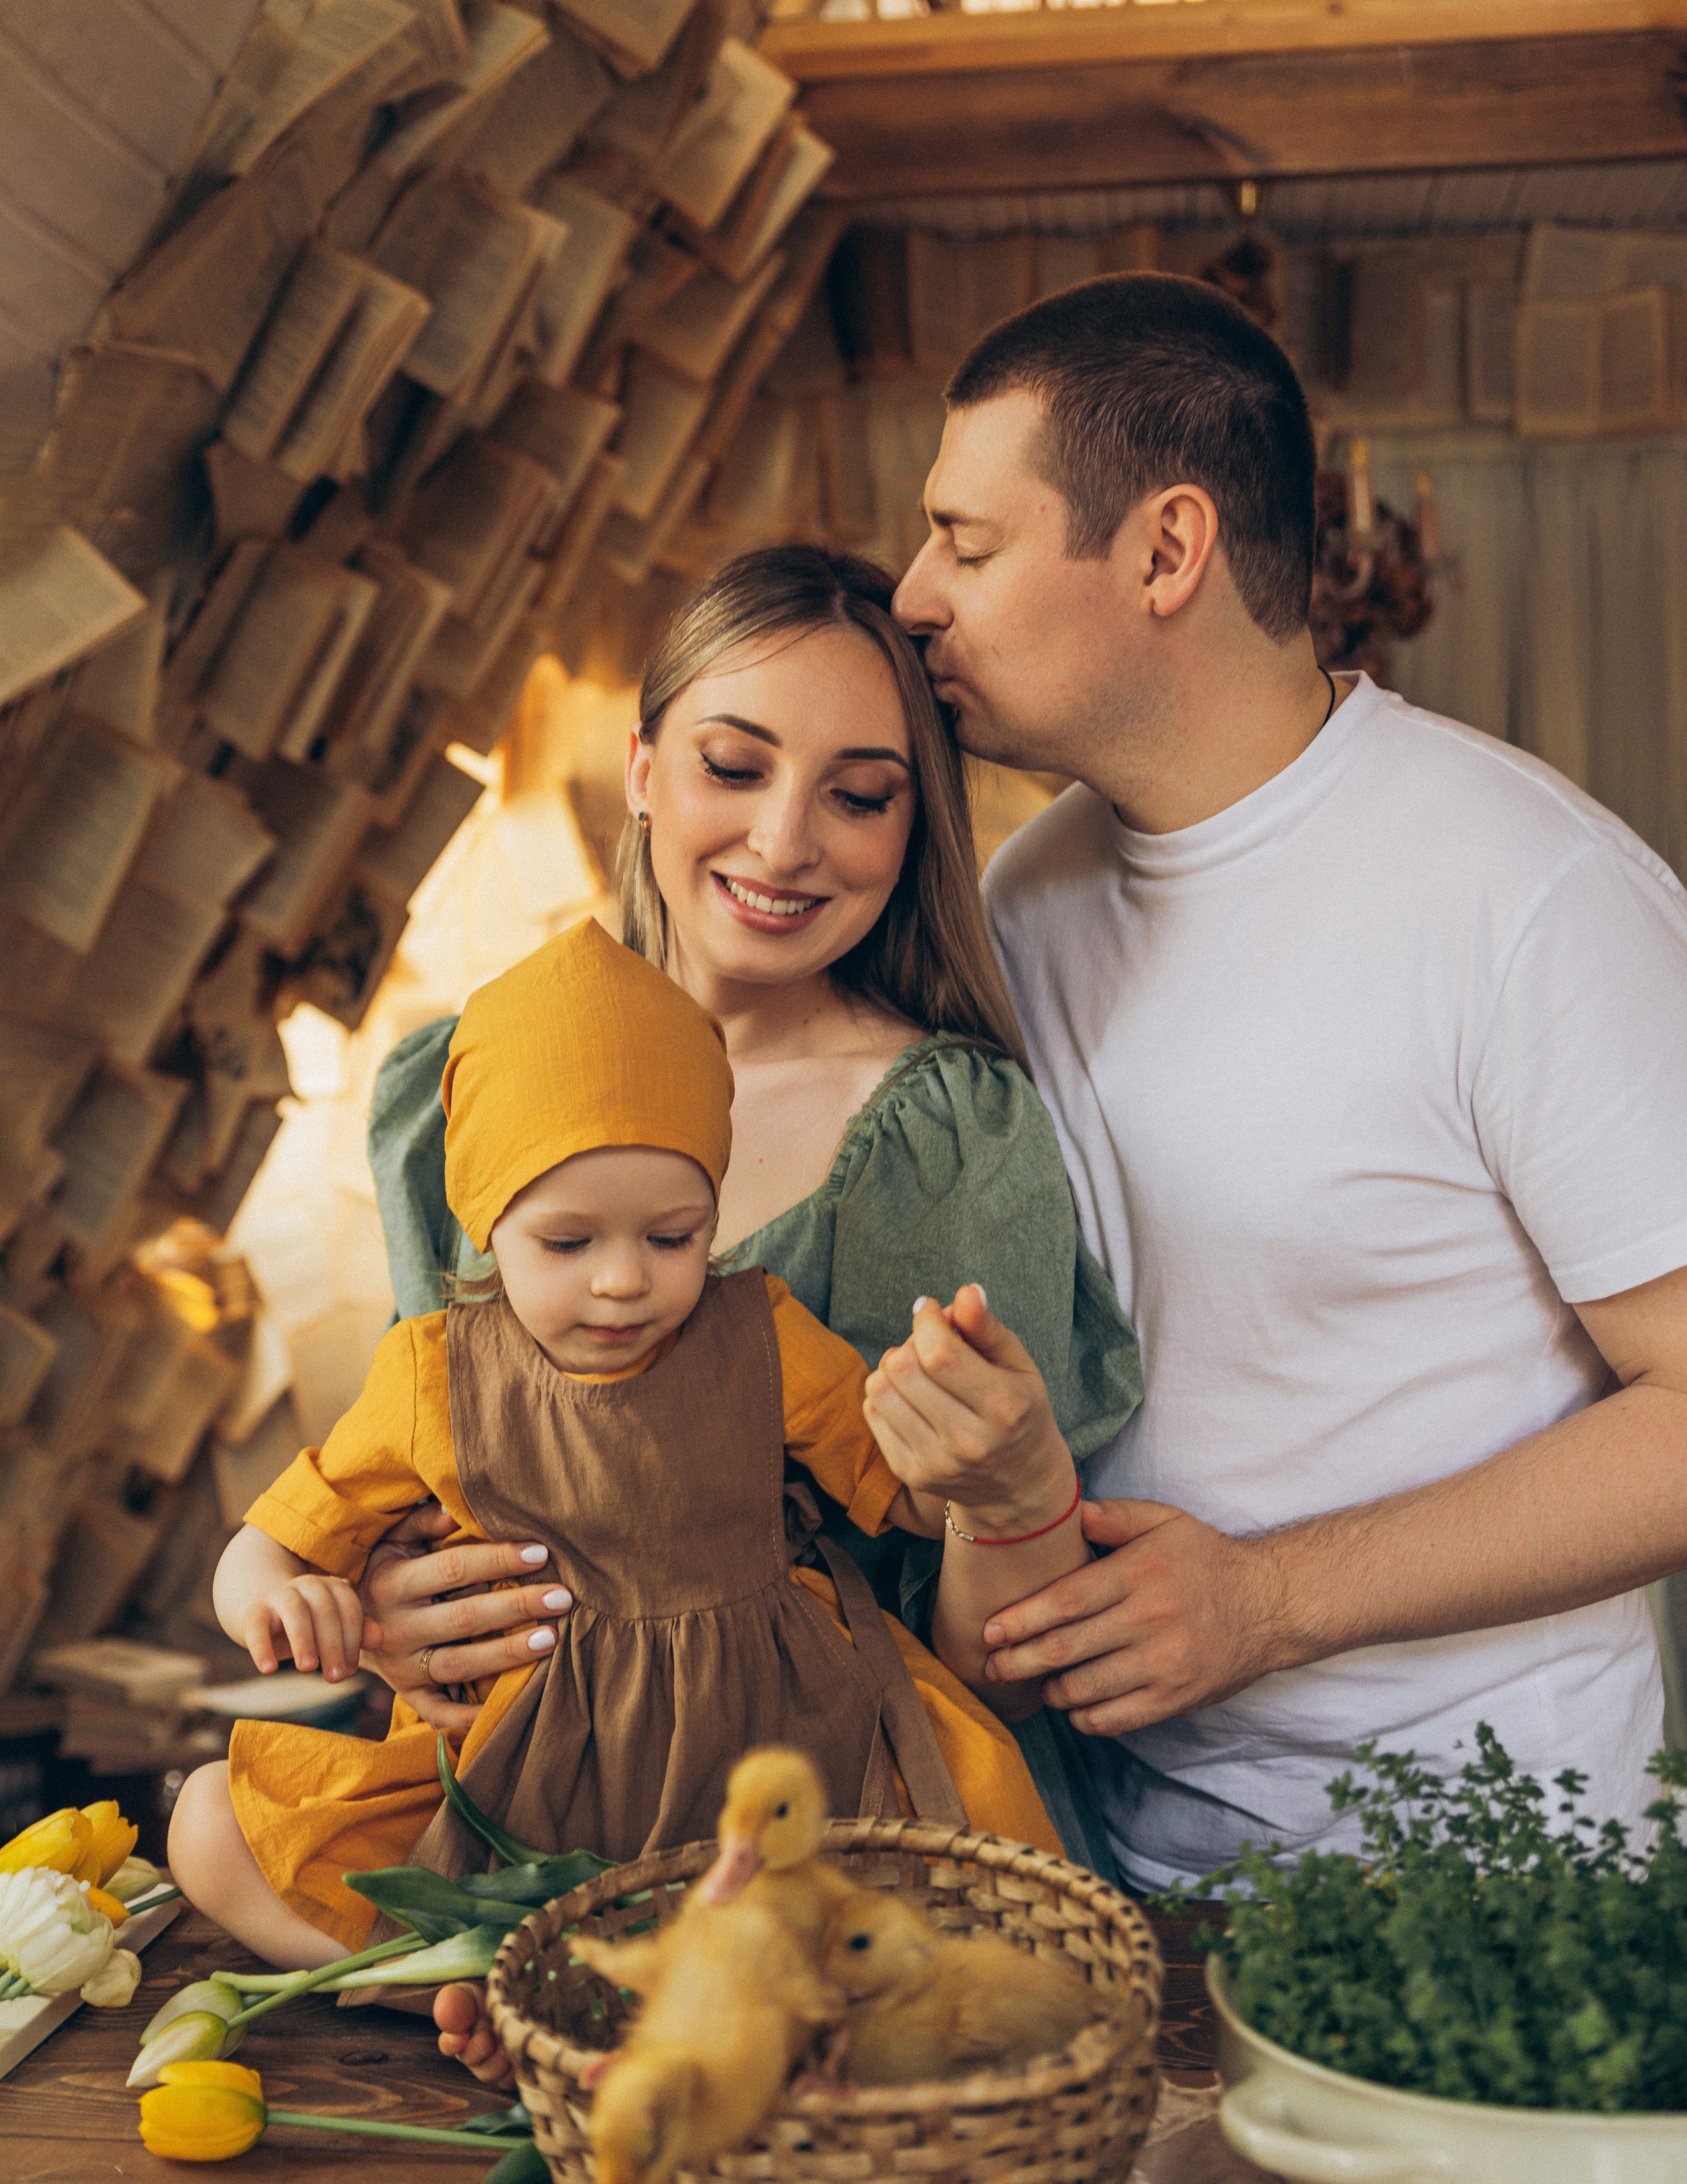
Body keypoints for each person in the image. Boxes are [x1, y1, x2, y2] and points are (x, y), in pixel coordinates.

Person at [888, 270, 1687, 1891]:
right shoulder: (1019, 902)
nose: (912, 594)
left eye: (966, 544)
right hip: (1122, 1872)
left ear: (1166, 551)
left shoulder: (1526, 893)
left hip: (1495, 1879)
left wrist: (1268, 1600)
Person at [353, 545, 1142, 1924]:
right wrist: (386, 1597)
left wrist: (1009, 1500)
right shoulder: (454, 1086)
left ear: (911, 830)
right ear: (646, 769)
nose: (785, 842)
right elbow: (424, 1452)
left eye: (856, 795)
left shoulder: (946, 1132)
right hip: (532, 1799)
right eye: (735, 766)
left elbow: (988, 1661)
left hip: (842, 1816)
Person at [167, 918, 1092, 1977]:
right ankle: (505, 1987)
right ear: (485, 1217)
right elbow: (266, 1545)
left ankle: (688, 1997)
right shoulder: (434, 1374)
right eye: (568, 1242)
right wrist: (281, 1604)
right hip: (532, 1777)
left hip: (776, 1732)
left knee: (969, 1880)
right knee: (211, 1827)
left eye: (673, 1236)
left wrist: (971, 1442)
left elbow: (909, 1498)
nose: (622, 1280)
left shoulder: (765, 1333)